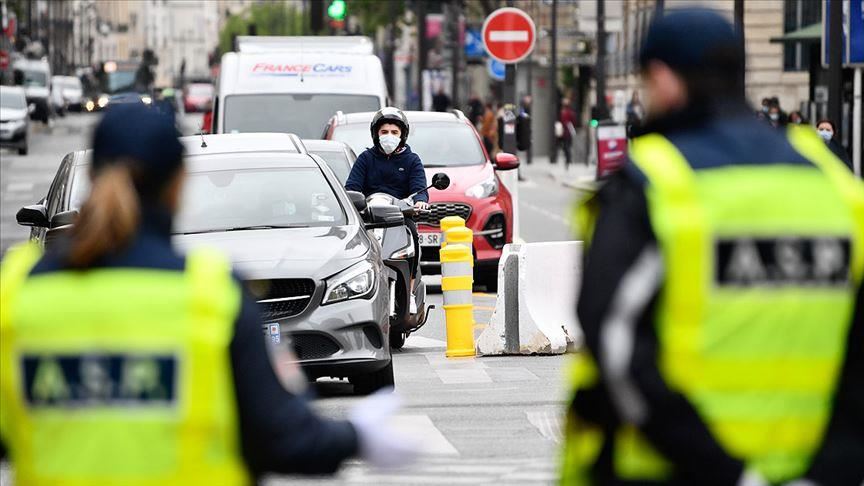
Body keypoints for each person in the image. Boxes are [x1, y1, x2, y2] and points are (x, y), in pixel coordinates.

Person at [0, 104, 418, 484]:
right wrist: (357, 437)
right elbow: (281, 436)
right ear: (178, 184)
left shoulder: (18, 289)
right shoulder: (211, 293)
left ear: (92, 178)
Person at [563, 8, 864, 486]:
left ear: (663, 78)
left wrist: (731, 474)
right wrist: (832, 466)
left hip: (672, 471)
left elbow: (615, 340)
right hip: (811, 469)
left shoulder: (655, 181)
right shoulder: (833, 182)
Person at [344, 107, 429, 310]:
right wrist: (356, 202)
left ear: (402, 136)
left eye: (394, 132)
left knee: (413, 236)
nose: (389, 136)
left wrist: (420, 202)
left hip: (400, 216)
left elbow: (420, 190)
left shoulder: (412, 160)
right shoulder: (365, 159)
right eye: (384, 132)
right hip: (370, 218)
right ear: (376, 134)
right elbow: (352, 188)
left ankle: (409, 291)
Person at [554, 98, 577, 166]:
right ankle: (568, 158)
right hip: (566, 131)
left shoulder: (564, 112)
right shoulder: (568, 112)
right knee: (567, 145)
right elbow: (573, 121)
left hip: (565, 131)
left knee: (566, 146)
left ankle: (568, 159)